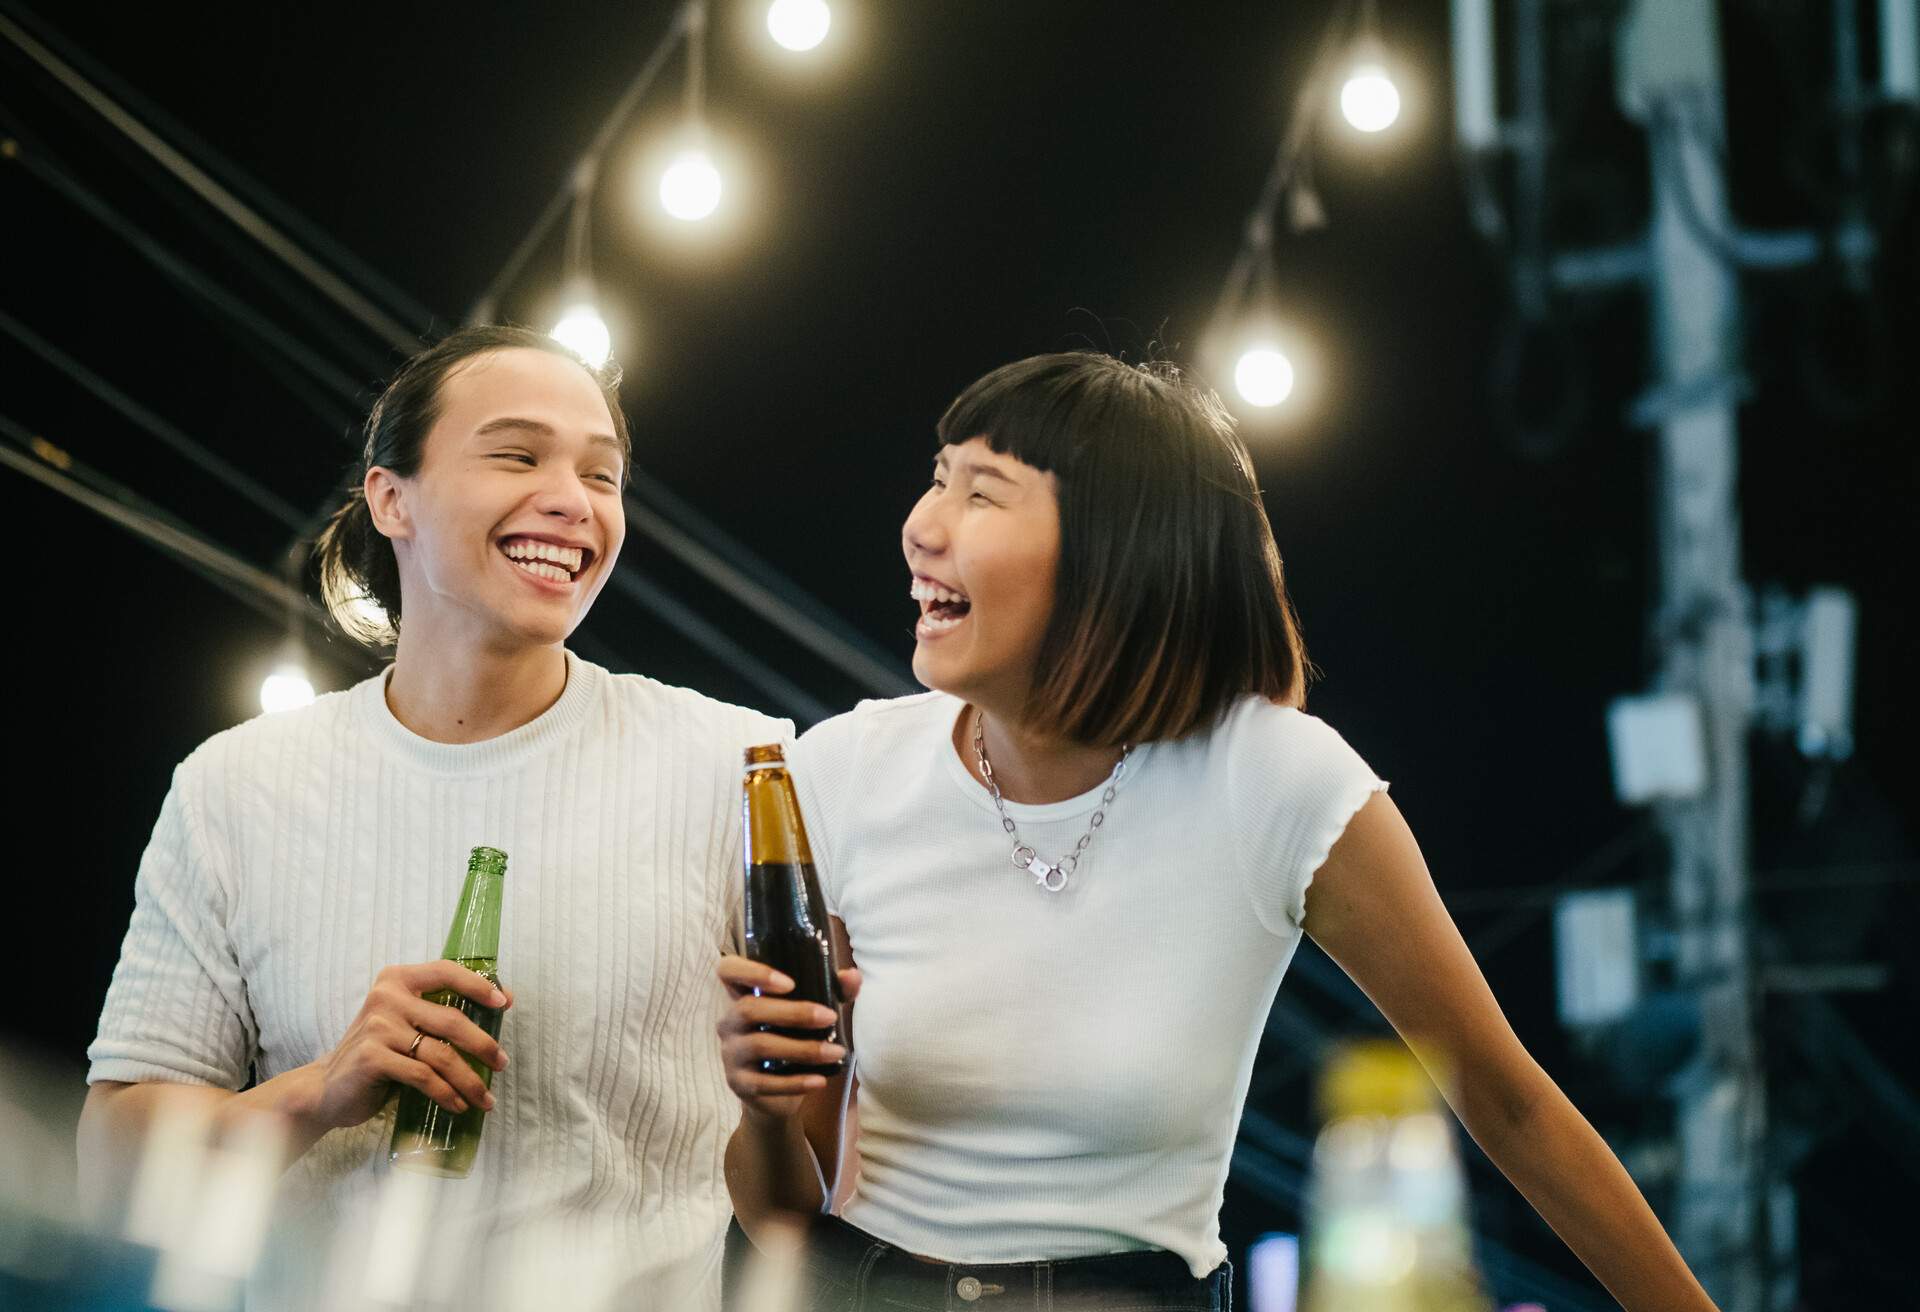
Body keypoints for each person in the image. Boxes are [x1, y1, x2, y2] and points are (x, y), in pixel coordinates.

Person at [716, 353, 1718, 1311]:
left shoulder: (1275, 780)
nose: (920, 527)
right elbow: (782, 1209)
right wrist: (763, 1104)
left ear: (1116, 549)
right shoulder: (839, 772)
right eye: (937, 481)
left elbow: (1511, 1108)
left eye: (980, 493)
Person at [80, 325, 788, 1309]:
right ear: (390, 497)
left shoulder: (740, 765)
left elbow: (828, 1150)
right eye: (516, 453)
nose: (572, 499)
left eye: (602, 474)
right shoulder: (235, 786)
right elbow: (111, 1164)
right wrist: (317, 1091)